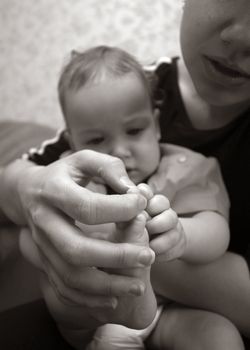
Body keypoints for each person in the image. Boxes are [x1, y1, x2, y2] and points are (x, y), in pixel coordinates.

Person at [0, 0, 249, 348]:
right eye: (96, 139)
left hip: (178, 311)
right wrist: (32, 201)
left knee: (218, 336)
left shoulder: (186, 166)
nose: (119, 151)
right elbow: (14, 183)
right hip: (102, 317)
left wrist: (181, 235)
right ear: (73, 142)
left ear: (157, 126)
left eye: (134, 131)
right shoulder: (76, 173)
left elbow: (216, 230)